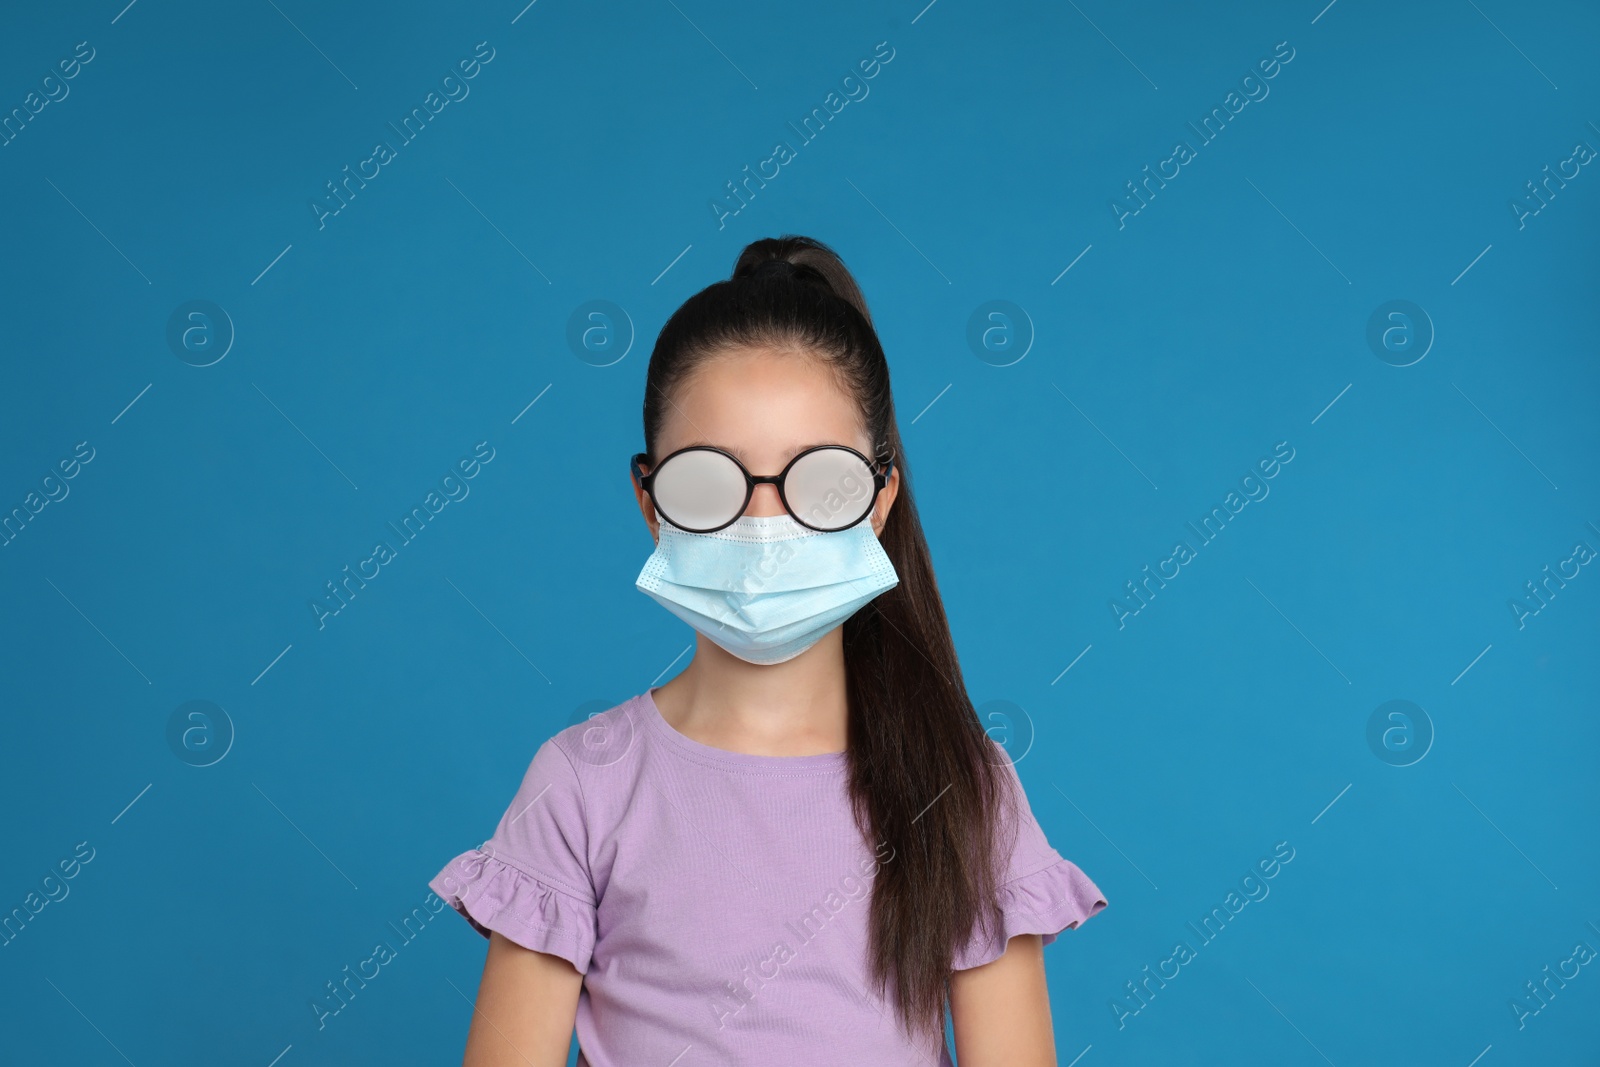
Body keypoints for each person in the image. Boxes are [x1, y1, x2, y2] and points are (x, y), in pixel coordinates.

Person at [428, 234, 1107, 1066]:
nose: (763, 525)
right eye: (710, 481)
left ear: (880, 497)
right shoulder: (581, 788)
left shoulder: (962, 790)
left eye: (818, 483)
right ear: (651, 500)